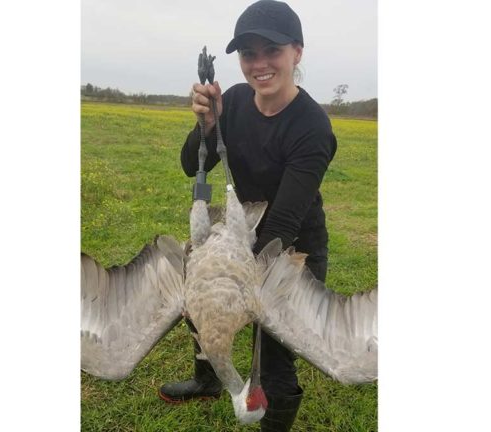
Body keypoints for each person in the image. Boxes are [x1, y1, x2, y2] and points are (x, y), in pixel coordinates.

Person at [158, 1, 337, 430]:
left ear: (297, 52)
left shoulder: (311, 126)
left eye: (272, 50)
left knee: (273, 350)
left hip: (292, 247)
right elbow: (189, 164)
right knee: (205, 307)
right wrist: (206, 124)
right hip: (243, 230)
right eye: (248, 53)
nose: (259, 64)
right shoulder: (235, 101)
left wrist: (230, 277)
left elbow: (282, 227)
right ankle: (208, 380)